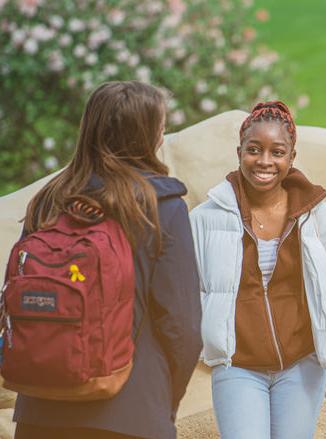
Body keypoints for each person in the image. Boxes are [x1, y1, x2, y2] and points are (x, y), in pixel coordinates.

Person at [12, 81, 203, 439]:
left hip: (40, 409)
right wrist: (166, 397)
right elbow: (183, 325)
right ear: (148, 137)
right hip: (133, 411)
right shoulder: (163, 207)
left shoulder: (49, 200)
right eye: (160, 127)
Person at [190, 101, 326, 439]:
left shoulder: (316, 215)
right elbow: (184, 287)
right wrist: (210, 330)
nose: (264, 161)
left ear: (291, 157)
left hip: (301, 364)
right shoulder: (207, 218)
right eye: (254, 150)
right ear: (239, 152)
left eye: (277, 152)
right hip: (238, 366)